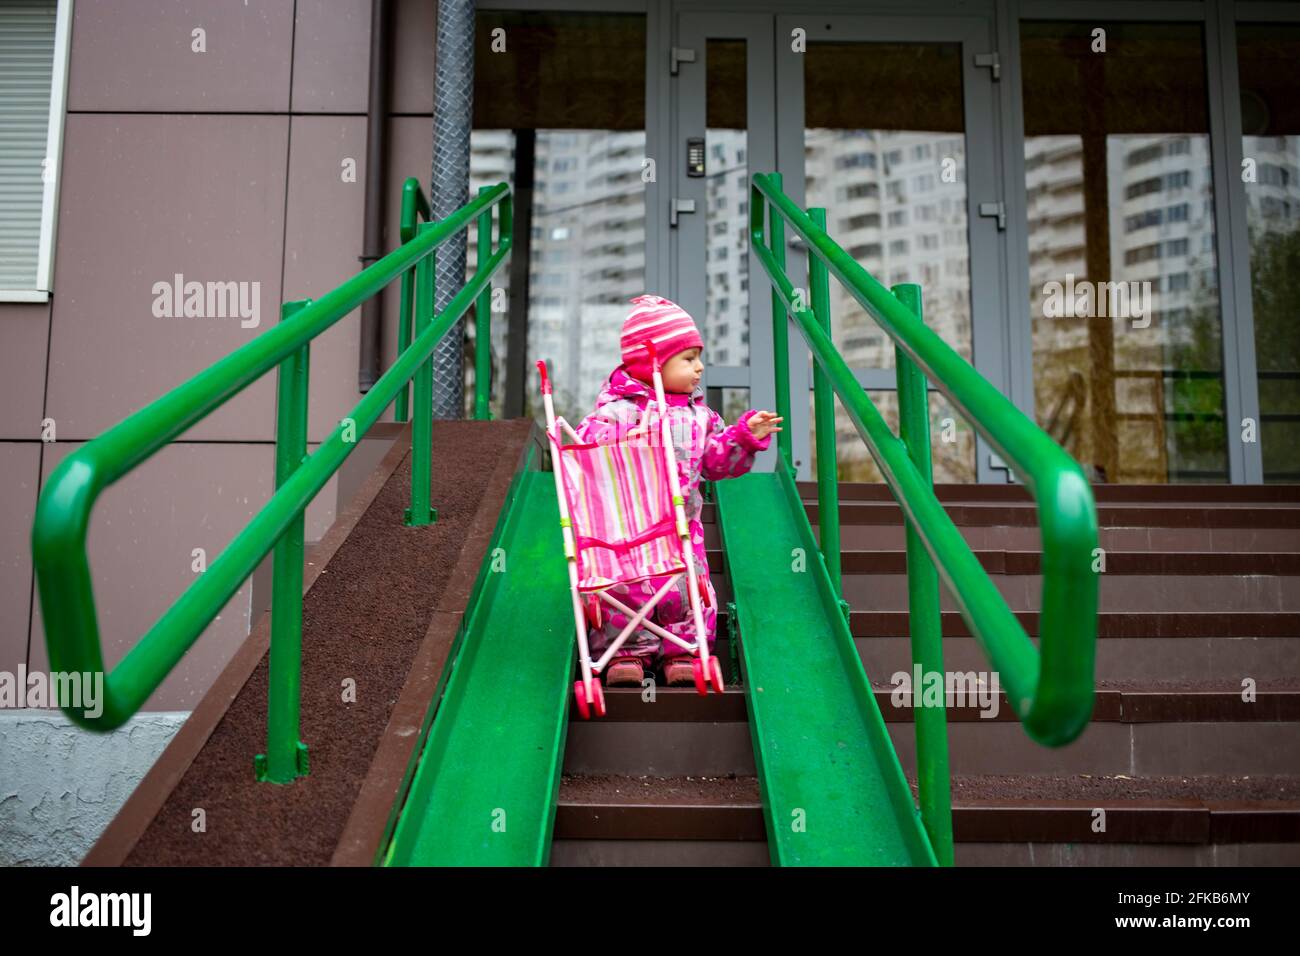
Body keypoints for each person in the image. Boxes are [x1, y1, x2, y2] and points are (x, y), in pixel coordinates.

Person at [574, 294, 782, 687]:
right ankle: (626, 651)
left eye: (698, 357)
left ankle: (682, 651)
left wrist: (743, 438)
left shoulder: (699, 417)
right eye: (688, 358)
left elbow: (717, 463)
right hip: (626, 532)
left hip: (682, 531)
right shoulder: (614, 414)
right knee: (625, 591)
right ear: (652, 361)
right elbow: (589, 465)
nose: (699, 367)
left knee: (685, 593)